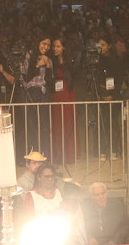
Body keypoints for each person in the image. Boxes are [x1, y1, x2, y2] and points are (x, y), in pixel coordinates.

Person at [21, 36, 53, 154]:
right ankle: (35, 152)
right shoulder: (29, 55)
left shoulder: (49, 59)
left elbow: (50, 82)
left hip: (44, 92)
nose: (46, 47)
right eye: (44, 43)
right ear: (38, 43)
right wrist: (38, 65)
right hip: (31, 92)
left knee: (45, 124)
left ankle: (45, 153)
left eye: (48, 45)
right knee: (32, 124)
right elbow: (25, 77)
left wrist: (47, 66)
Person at [51, 37, 77, 165]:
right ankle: (59, 155)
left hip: (67, 93)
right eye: (54, 46)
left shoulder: (70, 61)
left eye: (58, 46)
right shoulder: (51, 61)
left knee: (68, 122)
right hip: (56, 94)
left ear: (64, 48)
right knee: (57, 124)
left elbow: (73, 78)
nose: (55, 49)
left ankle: (69, 155)